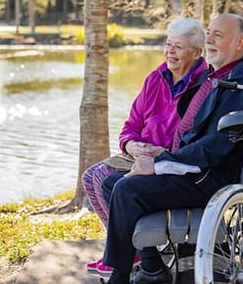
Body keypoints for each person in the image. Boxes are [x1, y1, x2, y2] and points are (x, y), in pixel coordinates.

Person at [99, 13, 243, 284]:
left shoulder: (238, 86)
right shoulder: (220, 77)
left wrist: (160, 163)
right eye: (209, 32)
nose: (209, 39)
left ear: (239, 43)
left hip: (209, 180)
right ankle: (152, 266)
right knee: (110, 183)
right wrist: (159, 155)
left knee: (126, 189)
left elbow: (213, 150)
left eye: (217, 36)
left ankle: (120, 277)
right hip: (197, 171)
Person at [83, 17, 207, 276]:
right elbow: (131, 125)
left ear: (197, 52)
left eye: (178, 47)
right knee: (90, 177)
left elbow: (189, 139)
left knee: (111, 182)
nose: (170, 52)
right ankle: (134, 250)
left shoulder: (203, 86)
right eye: (168, 44)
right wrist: (129, 145)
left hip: (166, 161)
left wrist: (158, 154)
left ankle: (139, 256)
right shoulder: (155, 79)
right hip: (139, 154)